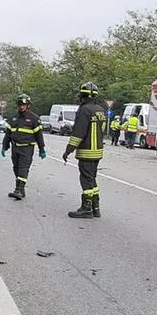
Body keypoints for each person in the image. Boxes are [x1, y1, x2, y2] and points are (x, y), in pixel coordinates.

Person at [62, 82, 106, 219]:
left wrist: (68, 150)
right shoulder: (100, 110)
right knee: (92, 179)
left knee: (86, 180)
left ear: (83, 95)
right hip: (97, 152)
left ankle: (86, 208)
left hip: (86, 151)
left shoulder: (84, 110)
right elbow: (102, 129)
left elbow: (78, 134)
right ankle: (95, 208)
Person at [1, 93, 45, 200]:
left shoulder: (34, 119)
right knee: (16, 168)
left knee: (23, 168)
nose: (22, 106)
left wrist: (41, 149)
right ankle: (20, 189)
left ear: (28, 105)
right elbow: (8, 134)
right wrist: (4, 145)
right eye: (20, 104)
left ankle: (19, 189)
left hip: (27, 148)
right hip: (15, 147)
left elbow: (39, 135)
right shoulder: (13, 118)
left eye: (24, 105)